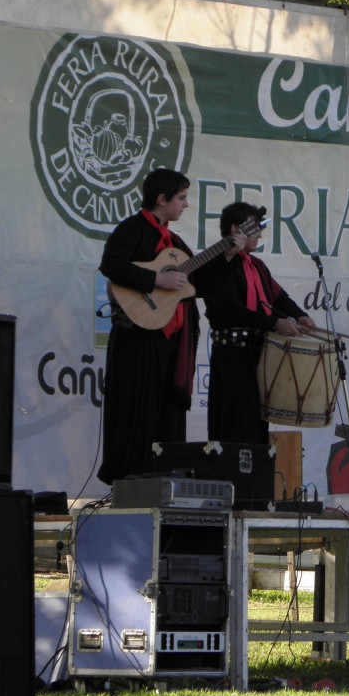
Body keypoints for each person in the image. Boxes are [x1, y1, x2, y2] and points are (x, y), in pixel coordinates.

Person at [97, 168, 200, 484]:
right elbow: (111, 265)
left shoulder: (175, 242)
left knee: (166, 414)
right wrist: (156, 279)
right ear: (162, 199)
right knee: (137, 411)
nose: (185, 205)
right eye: (181, 198)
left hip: (170, 342)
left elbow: (196, 281)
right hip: (139, 339)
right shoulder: (132, 229)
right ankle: (132, 481)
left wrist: (228, 252)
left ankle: (164, 480)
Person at [198, 201, 316, 445]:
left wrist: (300, 315)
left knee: (255, 422)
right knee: (234, 422)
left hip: (257, 353)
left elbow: (278, 297)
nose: (260, 235)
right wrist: (274, 323)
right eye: (255, 229)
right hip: (232, 355)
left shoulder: (257, 265)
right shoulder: (217, 265)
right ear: (235, 229)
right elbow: (231, 310)